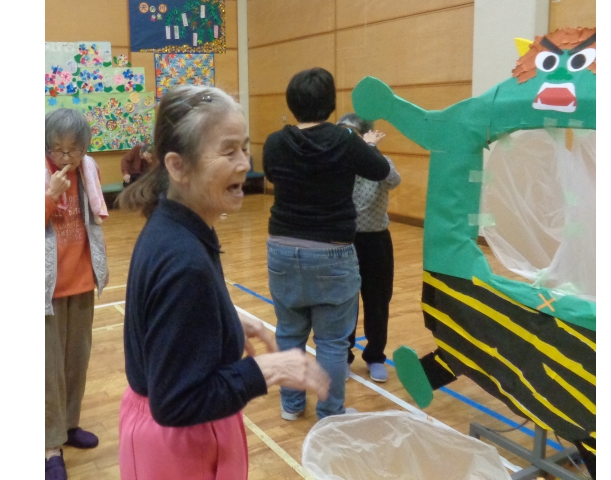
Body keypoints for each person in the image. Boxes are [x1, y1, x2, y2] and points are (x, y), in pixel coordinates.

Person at [116, 85, 329, 480]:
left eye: (244, 148)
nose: (245, 163)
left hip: (170, 438)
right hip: (178, 449)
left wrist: (224, 318)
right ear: (178, 166)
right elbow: (176, 402)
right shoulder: (184, 261)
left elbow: (165, 322)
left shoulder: (173, 226)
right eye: (228, 151)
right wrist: (267, 370)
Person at [262, 68, 391, 420]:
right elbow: (380, 170)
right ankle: (331, 413)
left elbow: (272, 175)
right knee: (332, 342)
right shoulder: (345, 140)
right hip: (332, 250)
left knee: (289, 333)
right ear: (331, 103)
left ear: (292, 102)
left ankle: (291, 406)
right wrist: (367, 145)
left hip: (282, 247)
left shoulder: (275, 142)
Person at [45, 109, 109, 480]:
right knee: (48, 369)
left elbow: (95, 219)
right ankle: (49, 445)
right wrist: (50, 196)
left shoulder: (88, 170)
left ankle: (69, 425)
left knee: (76, 361)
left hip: (82, 279)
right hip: (46, 287)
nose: (65, 157)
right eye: (57, 149)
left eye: (73, 150)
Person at [337, 113, 401, 383]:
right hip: (344, 242)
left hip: (376, 242)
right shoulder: (337, 164)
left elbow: (394, 180)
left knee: (377, 301)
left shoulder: (380, 163)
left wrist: (371, 150)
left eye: (351, 134)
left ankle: (375, 356)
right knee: (344, 302)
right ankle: (343, 357)